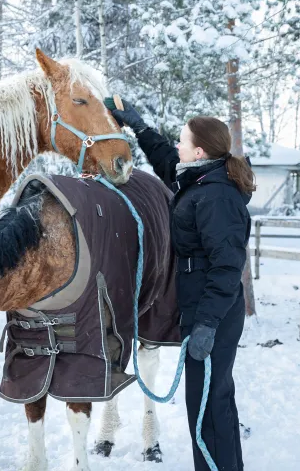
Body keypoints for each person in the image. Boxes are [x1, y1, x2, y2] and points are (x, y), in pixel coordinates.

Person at [105, 98, 253, 471]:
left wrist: (206, 324)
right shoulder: (201, 179)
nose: (176, 146)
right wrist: (138, 127)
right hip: (203, 307)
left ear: (199, 150)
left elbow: (227, 267)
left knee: (208, 405)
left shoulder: (216, 196)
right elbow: (166, 161)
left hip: (212, 312)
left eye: (182, 141)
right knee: (210, 399)